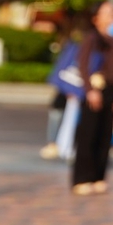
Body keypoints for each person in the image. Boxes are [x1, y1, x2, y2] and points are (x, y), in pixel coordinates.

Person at [71, 3, 113, 195]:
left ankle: (98, 176)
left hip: (110, 89)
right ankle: (82, 178)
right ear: (96, 19)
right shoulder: (92, 38)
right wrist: (89, 90)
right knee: (89, 134)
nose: (112, 16)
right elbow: (83, 66)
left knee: (104, 135)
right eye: (107, 13)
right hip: (94, 89)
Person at [43, 23, 84, 160]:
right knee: (57, 114)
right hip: (65, 90)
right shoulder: (72, 48)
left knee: (68, 118)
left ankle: (66, 145)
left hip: (75, 91)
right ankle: (53, 143)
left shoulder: (77, 47)